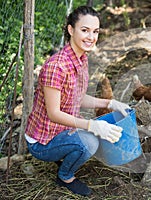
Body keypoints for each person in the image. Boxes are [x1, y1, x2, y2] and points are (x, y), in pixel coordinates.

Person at [25, 5, 130, 196]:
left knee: (97, 130)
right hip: (42, 140)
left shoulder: (81, 59)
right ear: (71, 30)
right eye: (85, 30)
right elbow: (53, 113)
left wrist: (109, 103)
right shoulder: (56, 67)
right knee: (89, 143)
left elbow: (77, 97)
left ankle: (65, 152)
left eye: (95, 31)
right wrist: (90, 125)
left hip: (61, 130)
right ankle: (65, 176)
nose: (91, 37)